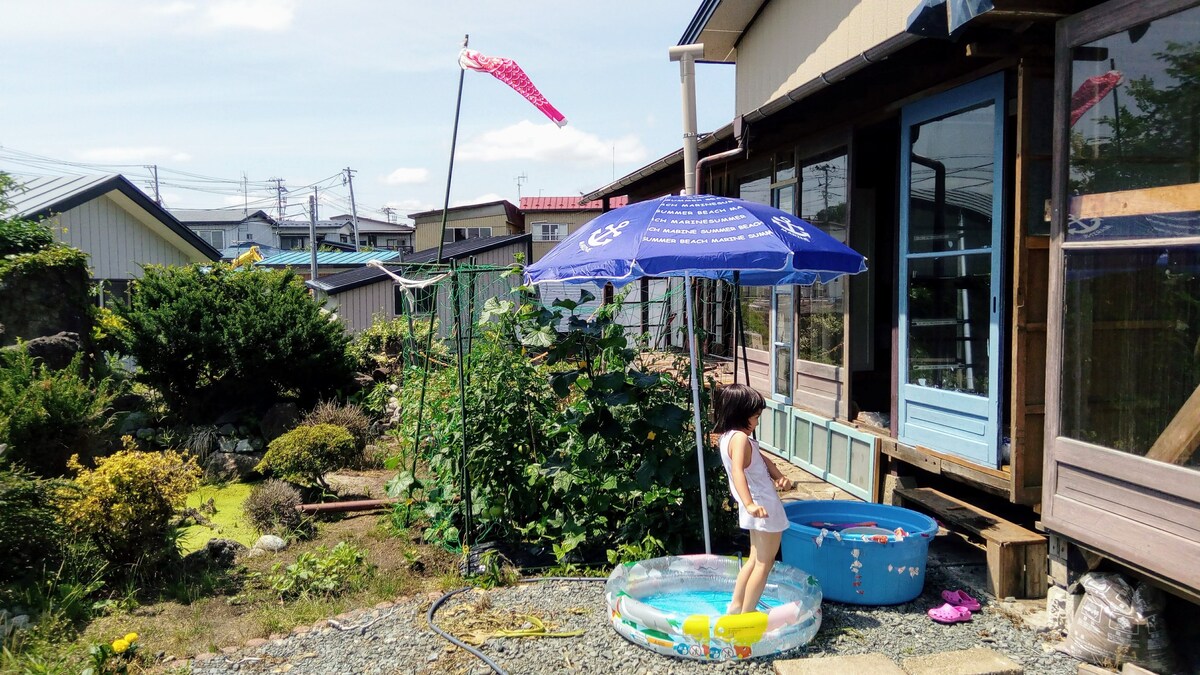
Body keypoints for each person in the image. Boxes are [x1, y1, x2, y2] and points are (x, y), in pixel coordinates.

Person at [714, 383, 795, 615]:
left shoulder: (728, 437)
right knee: (764, 563)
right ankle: (748, 613)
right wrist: (749, 502)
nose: (757, 422)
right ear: (741, 414)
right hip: (762, 506)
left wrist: (779, 476)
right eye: (755, 417)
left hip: (753, 506)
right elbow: (738, 470)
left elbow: (762, 459)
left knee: (753, 559)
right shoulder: (740, 439)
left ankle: (737, 606)